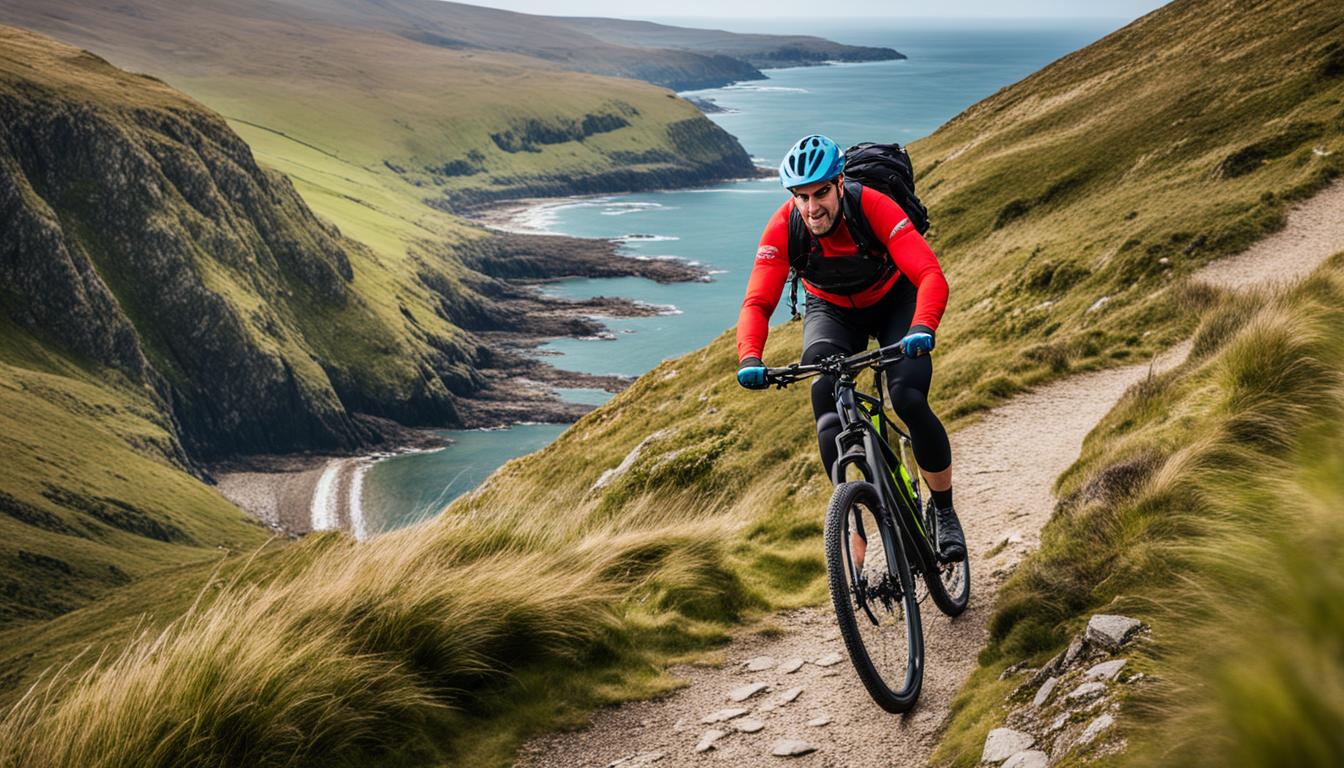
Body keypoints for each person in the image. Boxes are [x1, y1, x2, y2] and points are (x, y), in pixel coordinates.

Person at [734, 134, 965, 562]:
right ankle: (855, 519)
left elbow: (930, 275)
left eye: (820, 192)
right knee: (826, 405)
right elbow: (758, 302)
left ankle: (945, 511)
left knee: (908, 397)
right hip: (832, 310)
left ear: (840, 183)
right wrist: (751, 357)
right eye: (801, 197)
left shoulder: (873, 206)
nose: (811, 207)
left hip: (896, 301)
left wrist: (922, 327)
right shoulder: (785, 226)